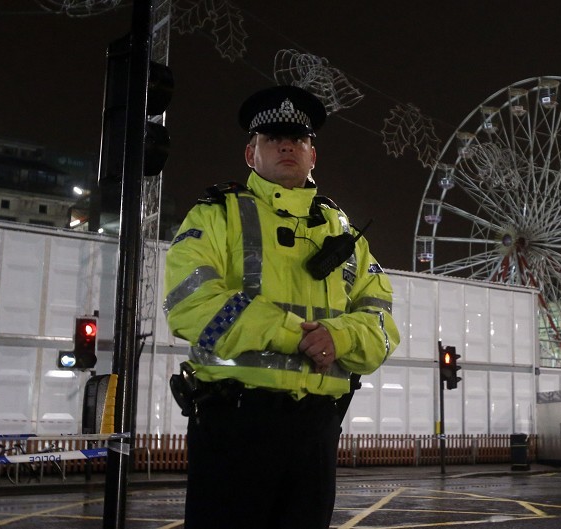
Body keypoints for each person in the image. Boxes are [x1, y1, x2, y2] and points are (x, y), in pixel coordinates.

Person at [164, 85, 401, 529]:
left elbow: (383, 325)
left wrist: (341, 338)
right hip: (233, 424)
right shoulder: (215, 214)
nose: (287, 145)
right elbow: (189, 305)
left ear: (314, 155)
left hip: (316, 431)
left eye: (299, 138)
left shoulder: (346, 233)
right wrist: (300, 336)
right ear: (250, 154)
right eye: (272, 137)